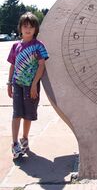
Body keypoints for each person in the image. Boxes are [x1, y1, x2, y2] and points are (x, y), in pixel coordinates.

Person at [7, 12, 49, 159]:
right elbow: (12, 66)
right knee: (16, 113)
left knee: (28, 115)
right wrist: (9, 83)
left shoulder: (38, 46)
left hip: (31, 86)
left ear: (35, 29)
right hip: (17, 84)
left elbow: (41, 66)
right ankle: (14, 144)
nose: (28, 29)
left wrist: (34, 85)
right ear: (20, 28)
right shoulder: (15, 46)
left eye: (31, 26)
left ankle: (24, 139)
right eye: (25, 26)